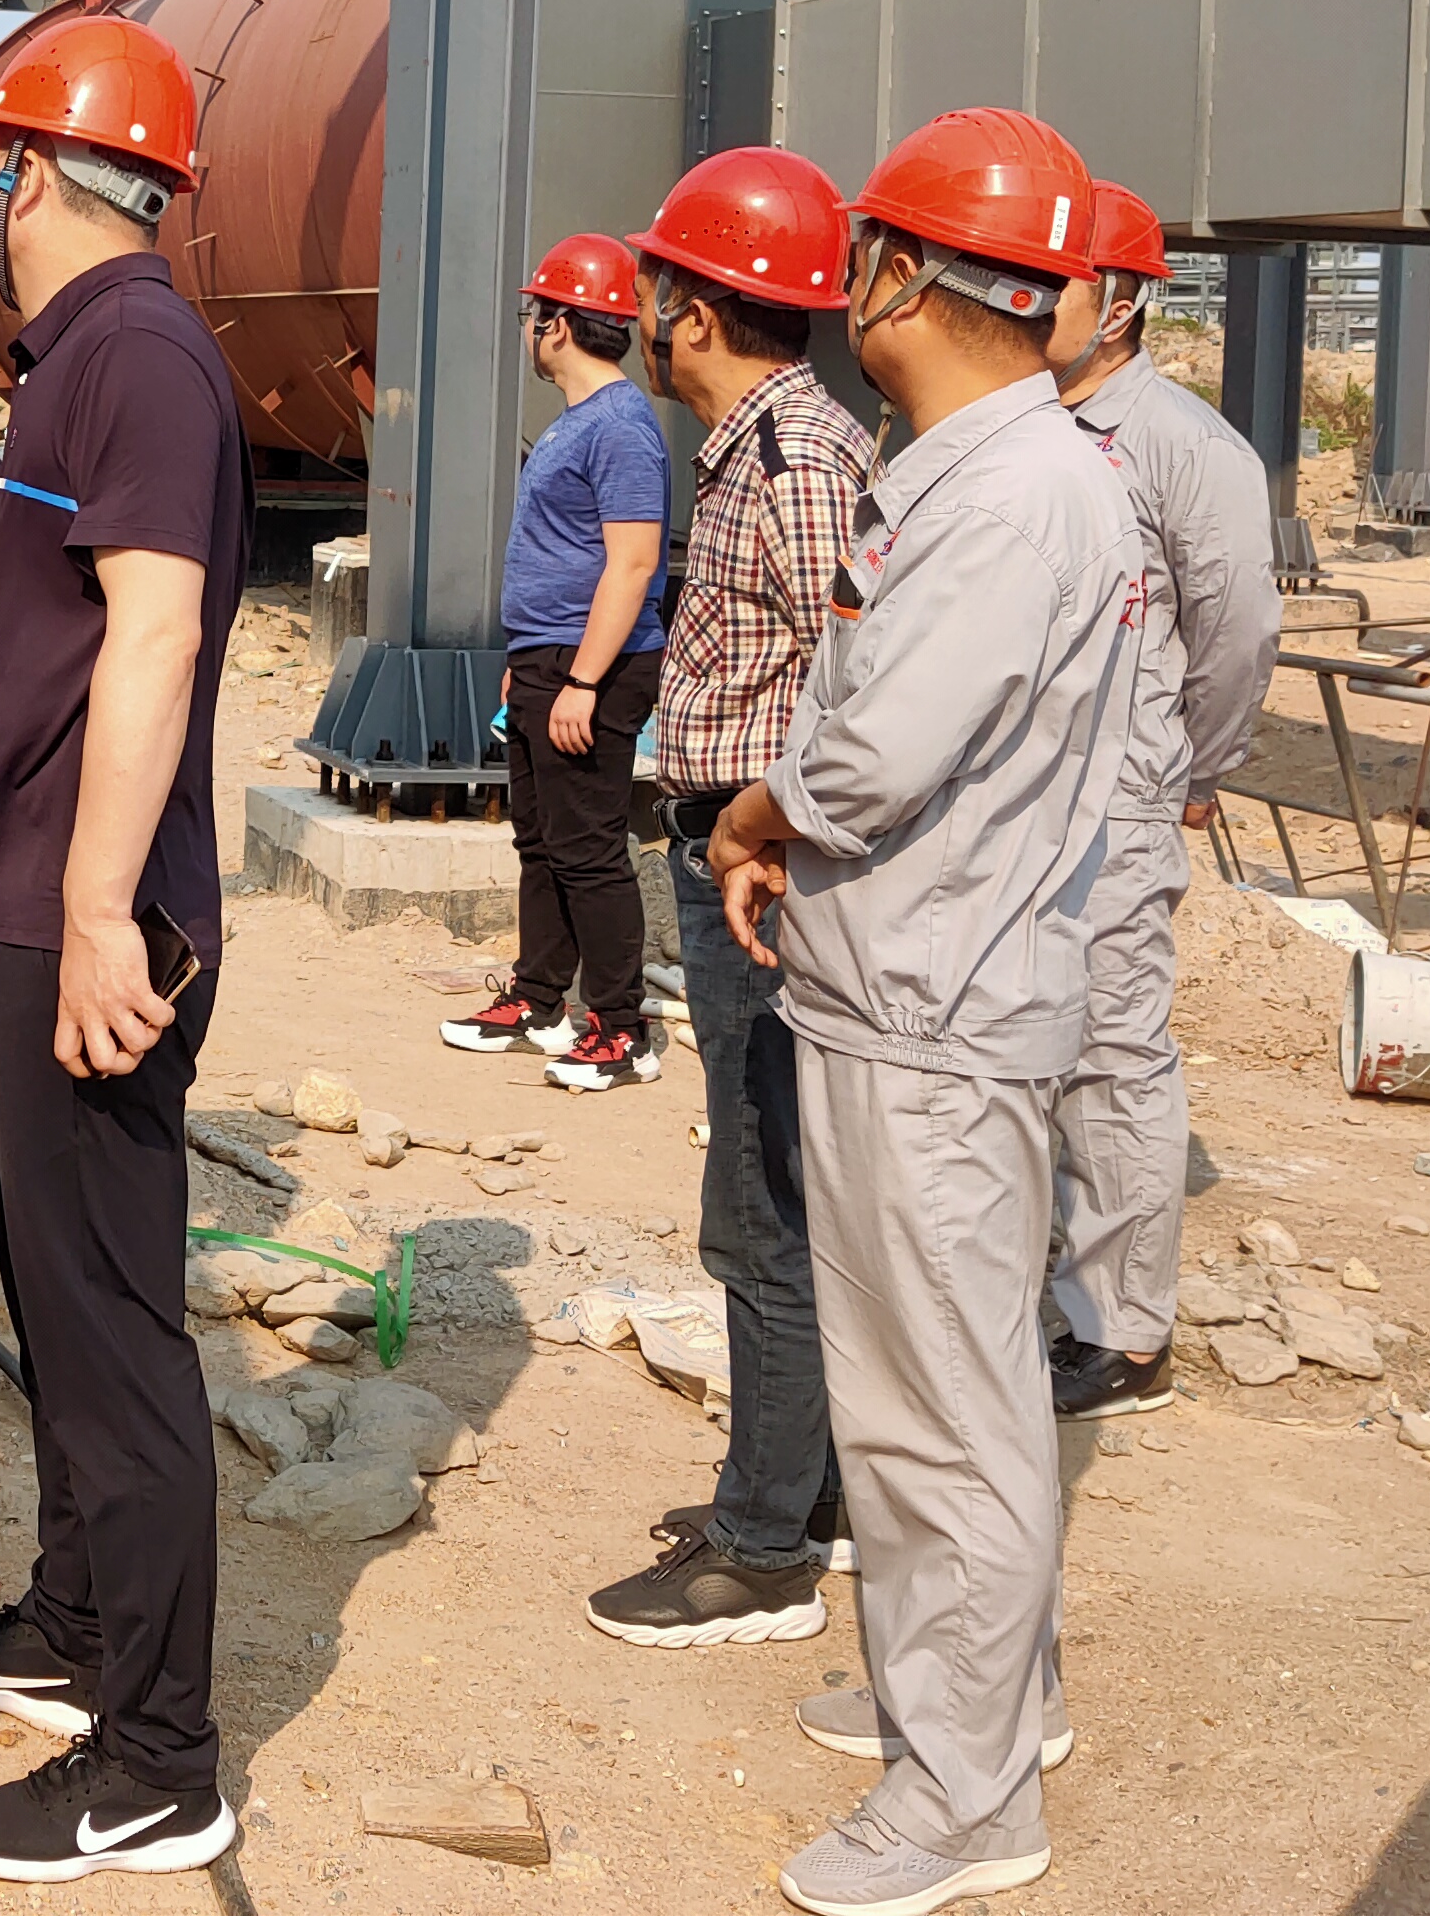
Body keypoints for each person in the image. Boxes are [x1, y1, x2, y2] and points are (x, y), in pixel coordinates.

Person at [702, 108, 1137, 1916]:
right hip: (922, 987)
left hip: (936, 1011)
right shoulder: (985, 470)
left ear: (899, 274)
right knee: (955, 1399)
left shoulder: (1013, 495)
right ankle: (979, 1708)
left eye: (863, 254)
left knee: (936, 1417)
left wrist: (754, 815)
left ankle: (961, 1803)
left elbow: (875, 751)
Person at [0, 15, 248, 1885]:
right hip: (25, 903)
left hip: (88, 919)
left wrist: (94, 913)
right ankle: (73, 1634)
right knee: (64, 1313)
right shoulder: (79, 354)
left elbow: (152, 638)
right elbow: (43, 656)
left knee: (112, 1333)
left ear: (25, 172)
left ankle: (161, 1758)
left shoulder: (143, 358)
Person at [578, 148, 874, 1653]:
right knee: (767, 1199)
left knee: (761, 1213)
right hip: (742, 855)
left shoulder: (799, 462)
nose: (642, 315)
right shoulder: (754, 447)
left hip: (770, 874)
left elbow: (863, 692)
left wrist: (762, 832)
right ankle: (797, 1492)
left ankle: (764, 1554)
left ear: (691, 312)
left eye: (655, 290)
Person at [1037, 179, 1277, 1423]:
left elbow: (1235, 632)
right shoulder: (1019, 431)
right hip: (1023, 798)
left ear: (1122, 302)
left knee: (1110, 1056)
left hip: (1119, 799)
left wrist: (1193, 771)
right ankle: (1052, 1286)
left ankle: (1123, 1335)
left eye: (1052, 283)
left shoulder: (1185, 448)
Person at [439, 234, 672, 1091]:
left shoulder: (619, 428)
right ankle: (541, 1000)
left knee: (589, 850)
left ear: (560, 326)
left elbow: (633, 564)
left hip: (591, 669)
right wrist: (529, 660)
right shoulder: (583, 423)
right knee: (541, 841)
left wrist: (582, 681)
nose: (530, 330)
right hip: (551, 661)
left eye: (535, 315)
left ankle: (623, 1028)